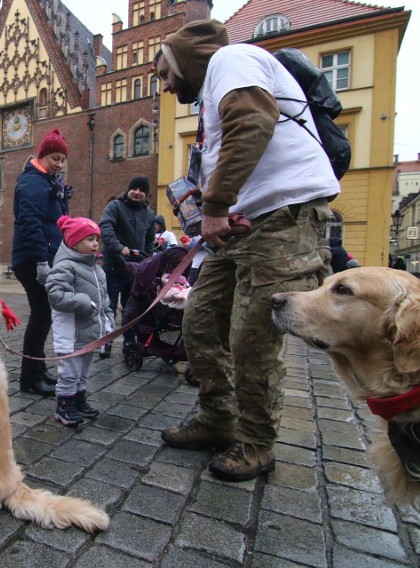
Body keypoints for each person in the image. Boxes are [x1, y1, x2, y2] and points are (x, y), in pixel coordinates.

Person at [154, 20, 340, 481]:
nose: (164, 84)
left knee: (252, 338)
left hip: (283, 220)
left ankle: (257, 443)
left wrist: (215, 205)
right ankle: (218, 418)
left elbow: (254, 121)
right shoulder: (215, 89)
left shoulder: (230, 60)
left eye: (164, 73)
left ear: (185, 61)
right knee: (199, 322)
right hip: (242, 225)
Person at [11, 128, 72, 396]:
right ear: (43, 156)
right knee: (41, 315)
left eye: (62, 159)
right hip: (33, 258)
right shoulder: (33, 182)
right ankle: (30, 379)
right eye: (54, 158)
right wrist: (41, 262)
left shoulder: (47, 182)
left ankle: (37, 371)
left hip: (43, 256)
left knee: (43, 315)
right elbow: (31, 223)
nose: (59, 164)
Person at [46, 216, 113, 427]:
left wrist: (108, 320)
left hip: (90, 332)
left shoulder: (97, 270)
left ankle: (79, 400)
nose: (95, 243)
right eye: (89, 239)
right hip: (72, 333)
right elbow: (55, 294)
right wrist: (82, 301)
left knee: (83, 372)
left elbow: (104, 301)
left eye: (97, 239)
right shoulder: (65, 267)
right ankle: (64, 406)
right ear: (74, 242)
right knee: (70, 372)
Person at [98, 176, 155, 358]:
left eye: (142, 190)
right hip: (114, 267)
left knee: (132, 308)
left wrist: (147, 261)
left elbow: (150, 242)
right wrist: (119, 248)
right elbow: (105, 229)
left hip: (135, 271)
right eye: (135, 188)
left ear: (146, 194)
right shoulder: (114, 207)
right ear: (128, 189)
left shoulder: (149, 214)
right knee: (109, 307)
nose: (137, 192)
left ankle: (130, 341)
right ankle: (105, 342)